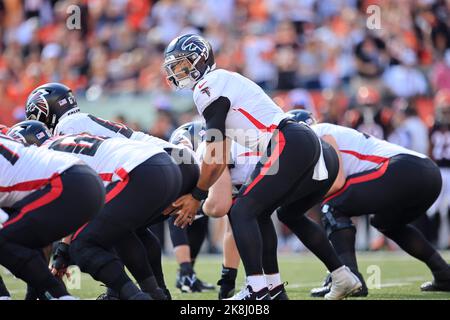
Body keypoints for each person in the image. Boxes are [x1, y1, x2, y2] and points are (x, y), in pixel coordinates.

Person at [163, 34, 361, 300]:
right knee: (261, 212)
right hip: (297, 143)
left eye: (181, 65)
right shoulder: (222, 82)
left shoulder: (208, 85)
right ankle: (321, 279)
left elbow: (216, 155)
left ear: (199, 59)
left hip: (287, 141)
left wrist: (197, 195)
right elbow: (220, 153)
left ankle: (257, 289)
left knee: (242, 209)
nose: (177, 72)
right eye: (174, 67)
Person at [10, 121, 181, 300]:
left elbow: (46, 227)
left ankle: (136, 297)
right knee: (118, 233)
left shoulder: (43, 159)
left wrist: (62, 254)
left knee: (83, 245)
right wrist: (62, 252)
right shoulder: (65, 143)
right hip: (164, 166)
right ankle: (154, 294)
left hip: (139, 171)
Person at [288, 110, 450, 296]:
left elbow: (337, 182)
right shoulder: (324, 133)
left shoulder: (317, 133)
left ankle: (350, 278)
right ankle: (443, 272)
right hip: (427, 173)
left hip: (404, 168)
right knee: (387, 224)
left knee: (332, 206)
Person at [1, 123, 105, 299]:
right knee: (21, 238)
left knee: (5, 239)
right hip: (83, 179)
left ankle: (60, 296)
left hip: (67, 182)